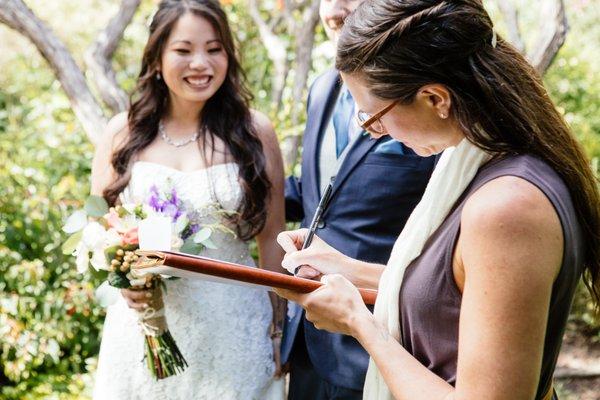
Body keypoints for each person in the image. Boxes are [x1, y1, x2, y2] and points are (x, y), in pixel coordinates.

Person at [276, 0, 600, 399]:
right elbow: (457, 294)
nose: (374, 131)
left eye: (374, 115)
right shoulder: (474, 160)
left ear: (435, 99)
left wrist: (360, 323)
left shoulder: (508, 207)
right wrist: (347, 269)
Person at [90, 1, 286, 399]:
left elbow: (271, 239)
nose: (201, 63)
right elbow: (99, 232)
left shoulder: (254, 131)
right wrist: (123, 279)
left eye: (214, 49)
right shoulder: (122, 134)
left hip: (235, 328)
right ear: (157, 57)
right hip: (143, 329)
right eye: (183, 50)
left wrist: (280, 326)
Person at [282, 0, 436, 398]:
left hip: (389, 340)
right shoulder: (321, 89)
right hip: (310, 334)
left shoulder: (429, 99)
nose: (337, 9)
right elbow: (319, 191)